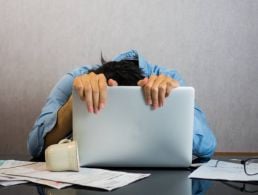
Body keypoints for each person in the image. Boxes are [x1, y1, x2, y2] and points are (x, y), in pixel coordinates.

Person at [27, 50, 217, 160]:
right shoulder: (74, 81)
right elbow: (35, 147)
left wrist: (171, 105)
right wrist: (74, 102)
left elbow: (208, 146)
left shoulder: (169, 81)